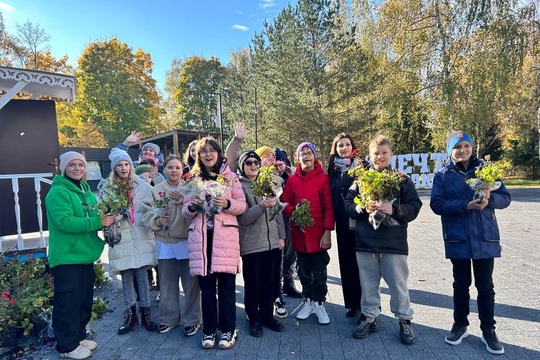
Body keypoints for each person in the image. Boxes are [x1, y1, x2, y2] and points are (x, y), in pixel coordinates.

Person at [430, 131, 511, 355]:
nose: (462, 150)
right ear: (450, 151)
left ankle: (488, 330)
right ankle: (460, 325)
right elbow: (437, 204)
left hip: (485, 237)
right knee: (460, 284)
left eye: (466, 145)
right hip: (458, 238)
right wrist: (466, 205)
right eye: (457, 147)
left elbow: (505, 197)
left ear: (471, 147)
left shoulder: (486, 171)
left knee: (485, 286)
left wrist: (489, 199)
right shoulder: (443, 175)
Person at [344, 135, 421, 345]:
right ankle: (369, 317)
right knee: (368, 284)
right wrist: (361, 208)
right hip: (365, 242)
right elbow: (348, 205)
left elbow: (415, 206)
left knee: (398, 285)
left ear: (391, 154)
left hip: (393, 244)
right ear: (370, 155)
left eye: (384, 153)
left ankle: (405, 320)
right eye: (376, 153)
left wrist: (394, 209)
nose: (380, 157)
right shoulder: (361, 179)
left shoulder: (401, 179)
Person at [45, 151, 115, 360]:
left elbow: (95, 213)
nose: (77, 168)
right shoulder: (58, 192)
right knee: (67, 303)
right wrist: (98, 222)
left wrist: (107, 215)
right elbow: (65, 222)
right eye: (72, 165)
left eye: (81, 165)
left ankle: (78, 336)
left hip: (84, 255)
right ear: (63, 168)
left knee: (83, 300)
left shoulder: (85, 190)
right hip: (67, 257)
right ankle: (66, 346)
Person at [182, 137, 246, 350]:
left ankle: (228, 329)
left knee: (227, 289)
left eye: (212, 150)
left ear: (219, 153)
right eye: (203, 151)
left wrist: (227, 203)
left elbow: (241, 205)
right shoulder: (193, 178)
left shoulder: (230, 177)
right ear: (198, 155)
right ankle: (209, 330)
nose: (208, 154)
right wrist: (192, 207)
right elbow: (184, 210)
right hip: (201, 242)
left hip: (224, 240)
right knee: (207, 290)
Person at [98, 148, 158, 335]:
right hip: (121, 235)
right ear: (114, 168)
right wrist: (113, 215)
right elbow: (101, 211)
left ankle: (146, 313)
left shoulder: (143, 186)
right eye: (119, 165)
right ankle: (130, 315)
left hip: (140, 234)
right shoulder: (108, 188)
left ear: (131, 166)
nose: (123, 168)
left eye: (126, 164)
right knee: (126, 275)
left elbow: (153, 207)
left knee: (141, 274)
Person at [142, 155, 202, 337]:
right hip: (165, 242)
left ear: (182, 169)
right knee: (167, 284)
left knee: (191, 284)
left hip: (185, 241)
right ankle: (169, 319)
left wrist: (186, 199)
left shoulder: (191, 188)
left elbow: (201, 210)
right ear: (163, 169)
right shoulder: (156, 190)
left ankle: (192, 320)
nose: (173, 170)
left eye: (177, 167)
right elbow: (145, 212)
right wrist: (157, 220)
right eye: (170, 167)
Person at [281, 142, 335, 325]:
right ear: (297, 158)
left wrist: (327, 232)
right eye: (302, 153)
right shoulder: (292, 180)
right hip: (299, 235)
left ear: (314, 156)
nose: (306, 156)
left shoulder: (323, 178)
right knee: (303, 272)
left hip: (318, 235)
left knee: (319, 272)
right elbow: (284, 203)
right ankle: (308, 302)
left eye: (309, 152)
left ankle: (319, 304)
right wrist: (293, 212)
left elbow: (328, 207)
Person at [237, 151, 286, 337]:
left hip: (271, 242)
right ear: (242, 165)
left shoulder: (267, 182)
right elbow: (244, 218)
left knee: (269, 282)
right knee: (253, 284)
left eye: (256, 162)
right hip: (251, 243)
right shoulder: (239, 186)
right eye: (248, 162)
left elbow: (278, 211)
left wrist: (281, 236)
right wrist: (261, 206)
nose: (253, 165)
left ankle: (267, 315)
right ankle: (254, 318)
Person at [327, 133, 363, 317]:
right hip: (342, 223)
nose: (344, 148)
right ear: (336, 148)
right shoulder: (332, 169)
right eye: (340, 145)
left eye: (347, 144)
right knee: (347, 263)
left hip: (360, 221)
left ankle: (368, 304)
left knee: (364, 265)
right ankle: (352, 303)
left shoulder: (361, 166)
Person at [274, 148, 302, 299]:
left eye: (281, 165)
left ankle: (289, 283)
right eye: (275, 165)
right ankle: (277, 288)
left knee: (291, 254)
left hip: (290, 219)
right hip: (276, 221)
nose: (278, 169)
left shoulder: (290, 176)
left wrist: (292, 178)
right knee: (279, 255)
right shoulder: (268, 178)